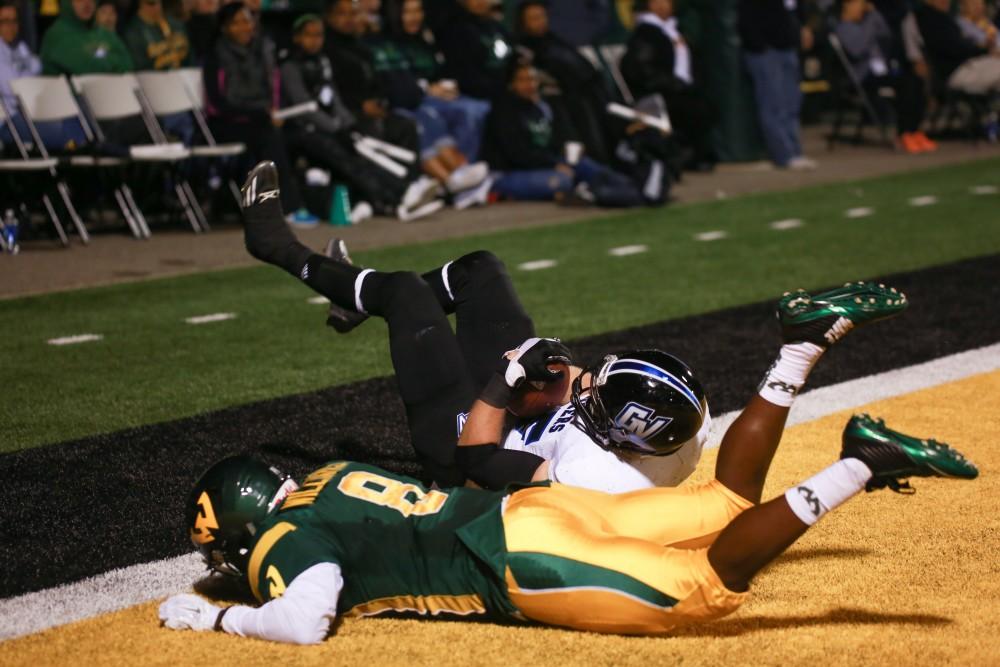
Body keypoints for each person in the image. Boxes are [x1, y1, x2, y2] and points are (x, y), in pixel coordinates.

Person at [158, 176, 978, 639]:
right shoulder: (637, 452)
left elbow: (481, 455)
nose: (586, 384)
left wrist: (504, 386)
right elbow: (692, 475)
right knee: (473, 272)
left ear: (623, 430)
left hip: (496, 481)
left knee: (412, 298)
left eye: (596, 393)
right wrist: (552, 382)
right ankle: (810, 363)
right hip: (529, 505)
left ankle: (305, 263)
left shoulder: (585, 464)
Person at [279, 14, 445, 222]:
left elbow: (334, 99)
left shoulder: (322, 61)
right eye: (308, 36)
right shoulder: (289, 66)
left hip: (329, 127)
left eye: (318, 35)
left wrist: (348, 124)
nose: (314, 41)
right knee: (346, 157)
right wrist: (335, 128)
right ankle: (395, 199)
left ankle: (406, 191)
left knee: (363, 149)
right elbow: (304, 107)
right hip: (302, 130)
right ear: (297, 37)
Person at [203, 1, 316, 225]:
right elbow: (217, 104)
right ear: (224, 28)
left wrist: (271, 113)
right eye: (237, 23)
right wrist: (259, 113)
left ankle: (313, 196)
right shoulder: (215, 56)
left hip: (261, 118)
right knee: (268, 135)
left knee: (299, 133)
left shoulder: (261, 51)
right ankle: (289, 207)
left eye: (247, 21)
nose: (244, 27)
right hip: (224, 122)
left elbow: (272, 89)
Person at [372, 0, 493, 204]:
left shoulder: (425, 39)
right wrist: (427, 89)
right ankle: (455, 180)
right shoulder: (383, 42)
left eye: (417, 11)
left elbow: (437, 71)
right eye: (407, 12)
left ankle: (462, 177)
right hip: (401, 105)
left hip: (425, 99)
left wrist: (443, 86)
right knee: (427, 117)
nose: (414, 17)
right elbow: (398, 89)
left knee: (476, 109)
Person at [482, 60, 648, 206]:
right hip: (509, 173)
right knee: (563, 180)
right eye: (523, 80)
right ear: (512, 84)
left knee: (585, 165)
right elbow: (517, 154)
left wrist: (569, 150)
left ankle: (637, 189)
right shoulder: (503, 111)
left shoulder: (542, 106)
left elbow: (557, 140)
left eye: (532, 79)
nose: (530, 85)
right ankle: (589, 194)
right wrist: (555, 164)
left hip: (545, 164)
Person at [621, 0, 717, 171]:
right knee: (691, 106)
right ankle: (684, 158)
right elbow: (642, 71)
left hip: (678, 90)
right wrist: (675, 85)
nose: (664, 5)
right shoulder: (646, 33)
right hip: (656, 95)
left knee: (701, 104)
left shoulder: (674, 30)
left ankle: (693, 156)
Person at [514, 0, 614, 164]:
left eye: (542, 17)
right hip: (558, 98)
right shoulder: (524, 49)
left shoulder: (554, 40)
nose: (539, 22)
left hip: (584, 91)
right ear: (523, 22)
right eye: (533, 18)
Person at [737, 0, 816, 170]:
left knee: (791, 103)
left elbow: (796, 9)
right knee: (773, 104)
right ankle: (784, 155)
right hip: (765, 51)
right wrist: (759, 46)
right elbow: (745, 15)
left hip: (787, 46)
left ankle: (795, 152)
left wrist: (803, 28)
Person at [433, 0, 514, 101]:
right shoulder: (456, 30)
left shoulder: (498, 28)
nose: (480, 1)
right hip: (476, 95)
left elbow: (510, 58)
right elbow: (465, 74)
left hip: (506, 90)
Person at [916, 0, 1000, 96]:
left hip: (970, 64)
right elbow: (958, 49)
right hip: (959, 71)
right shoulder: (930, 19)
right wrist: (985, 50)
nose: (947, 2)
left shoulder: (940, 17)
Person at [39, 0, 133, 75]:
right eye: (80, 0)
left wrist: (98, 58)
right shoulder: (57, 34)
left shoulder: (102, 32)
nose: (87, 4)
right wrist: (110, 59)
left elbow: (127, 63)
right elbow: (87, 69)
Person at [122, 0, 192, 71]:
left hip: (181, 75)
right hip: (151, 77)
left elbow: (189, 55)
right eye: (151, 4)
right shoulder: (133, 31)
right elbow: (139, 64)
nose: (158, 7)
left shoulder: (173, 23)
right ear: (140, 4)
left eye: (160, 3)